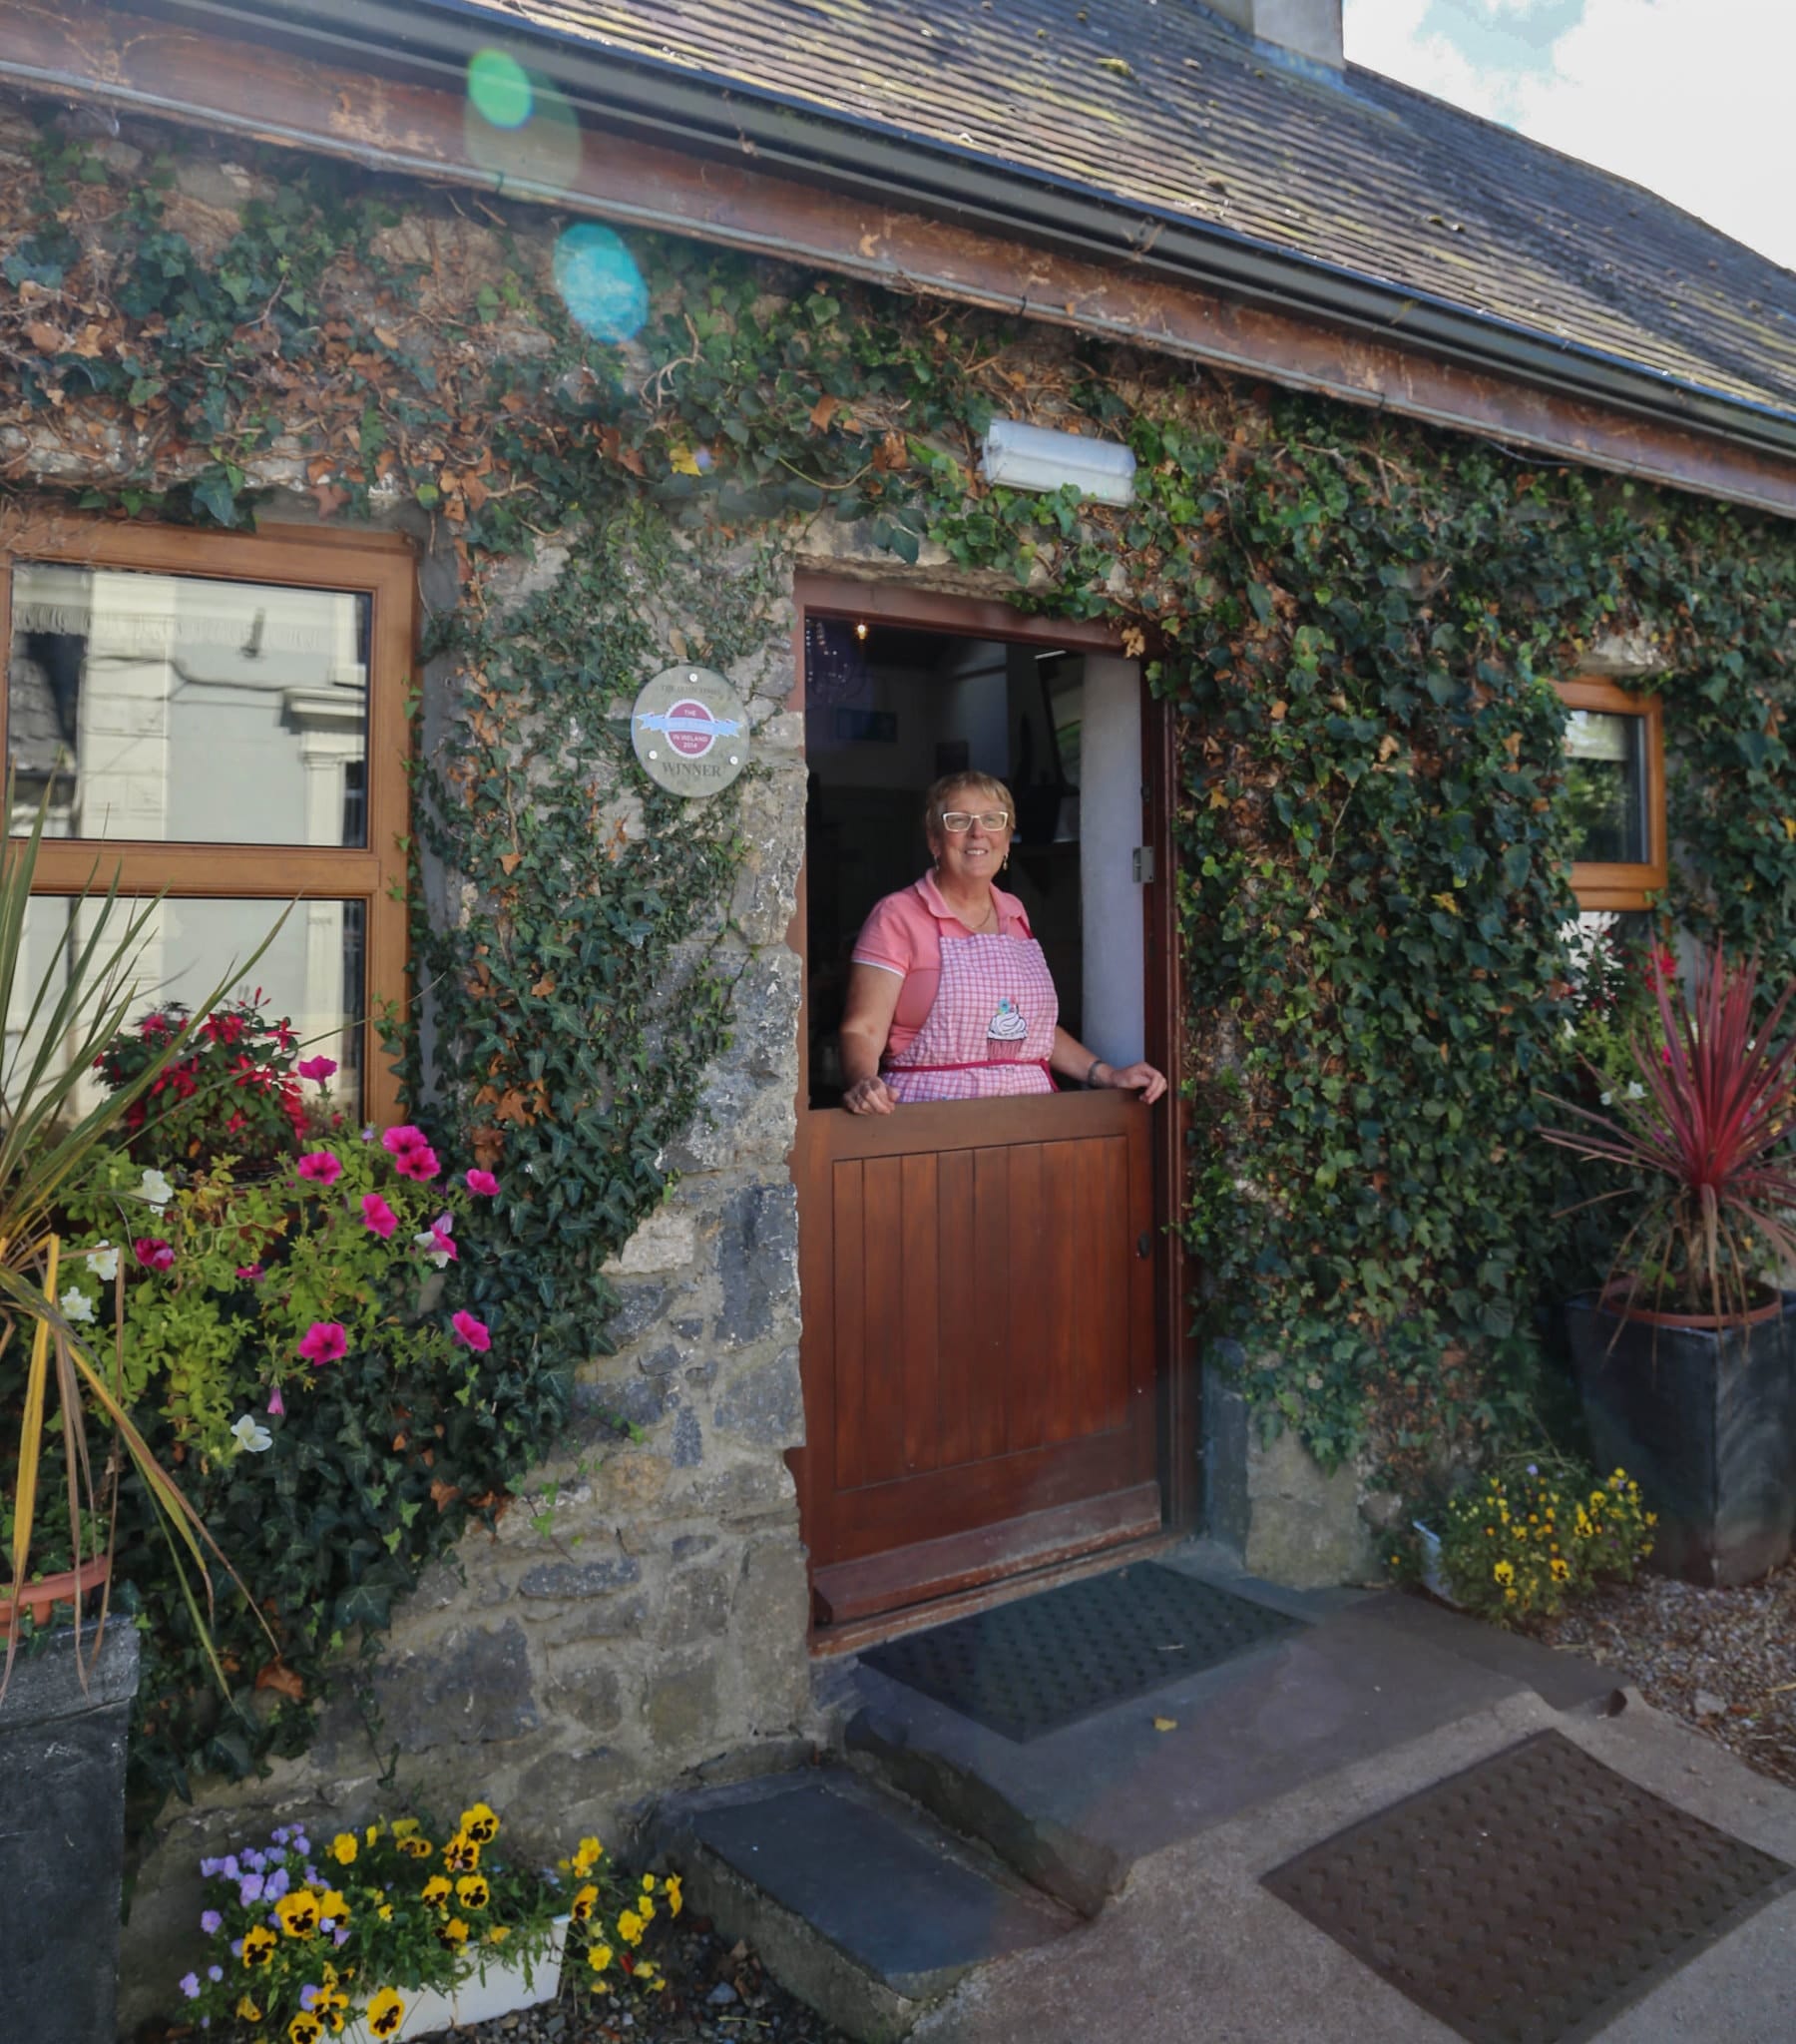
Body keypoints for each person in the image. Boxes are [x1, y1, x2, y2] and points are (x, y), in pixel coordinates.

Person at [838, 771, 1168, 1114]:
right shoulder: (897, 915)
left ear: (1007, 841)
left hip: (1027, 1120)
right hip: (931, 1122)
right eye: (959, 820)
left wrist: (1106, 1074)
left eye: (993, 820)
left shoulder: (1015, 912)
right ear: (934, 841)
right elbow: (863, 1028)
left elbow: (1033, 1033)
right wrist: (864, 1080)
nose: (978, 832)